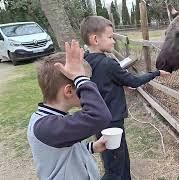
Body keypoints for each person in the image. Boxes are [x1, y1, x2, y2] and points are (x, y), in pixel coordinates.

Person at [80, 16, 170, 180]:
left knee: (112, 158)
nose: (114, 41)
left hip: (96, 118)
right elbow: (134, 81)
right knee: (116, 164)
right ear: (95, 39)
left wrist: (118, 84)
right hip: (112, 120)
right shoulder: (109, 64)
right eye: (110, 37)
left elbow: (101, 83)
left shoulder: (85, 62)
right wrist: (156, 73)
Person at [27, 40, 112, 180]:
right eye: (83, 83)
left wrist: (92, 147)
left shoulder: (55, 120)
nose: (88, 86)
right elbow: (100, 116)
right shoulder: (45, 126)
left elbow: (64, 151)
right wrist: (81, 77)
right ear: (69, 91)